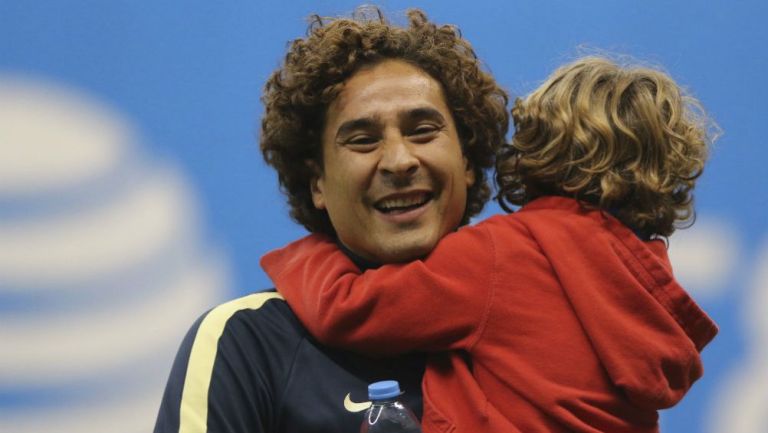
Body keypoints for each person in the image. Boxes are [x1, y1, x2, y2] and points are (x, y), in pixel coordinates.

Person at [262, 56, 720, 432]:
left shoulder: (504, 253)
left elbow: (350, 309)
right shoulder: (645, 284)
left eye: (422, 131)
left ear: (532, 148)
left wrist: (307, 251)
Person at [153, 7, 509, 433]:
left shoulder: (542, 320)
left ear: (467, 160)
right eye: (363, 140)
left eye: (422, 130)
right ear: (317, 182)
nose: (399, 160)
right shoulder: (246, 342)